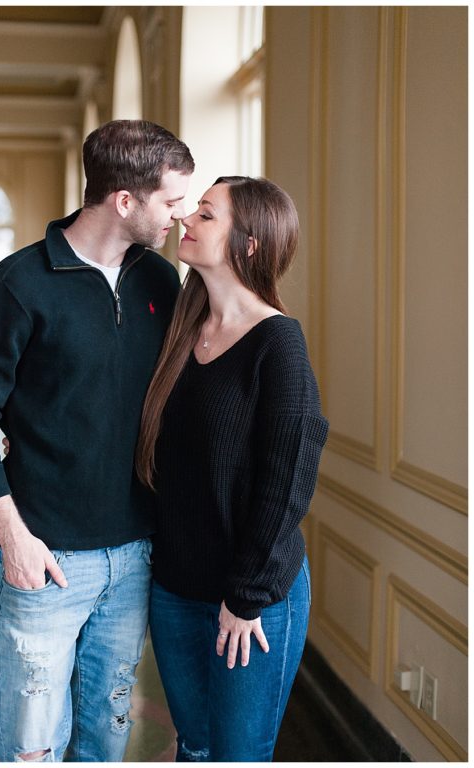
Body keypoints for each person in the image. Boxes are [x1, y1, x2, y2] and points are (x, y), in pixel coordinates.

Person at [0, 120, 194, 762]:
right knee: (31, 749)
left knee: (106, 741)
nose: (180, 216)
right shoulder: (16, 286)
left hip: (135, 555)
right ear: (125, 201)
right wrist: (13, 537)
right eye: (172, 201)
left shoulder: (160, 283)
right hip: (46, 558)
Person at [135, 176, 328, 761]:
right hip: (174, 589)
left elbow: (287, 483)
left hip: (252, 598)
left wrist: (245, 598)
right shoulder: (180, 329)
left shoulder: (278, 343)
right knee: (194, 747)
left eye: (207, 214)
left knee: (237, 755)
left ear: (248, 243)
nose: (188, 219)